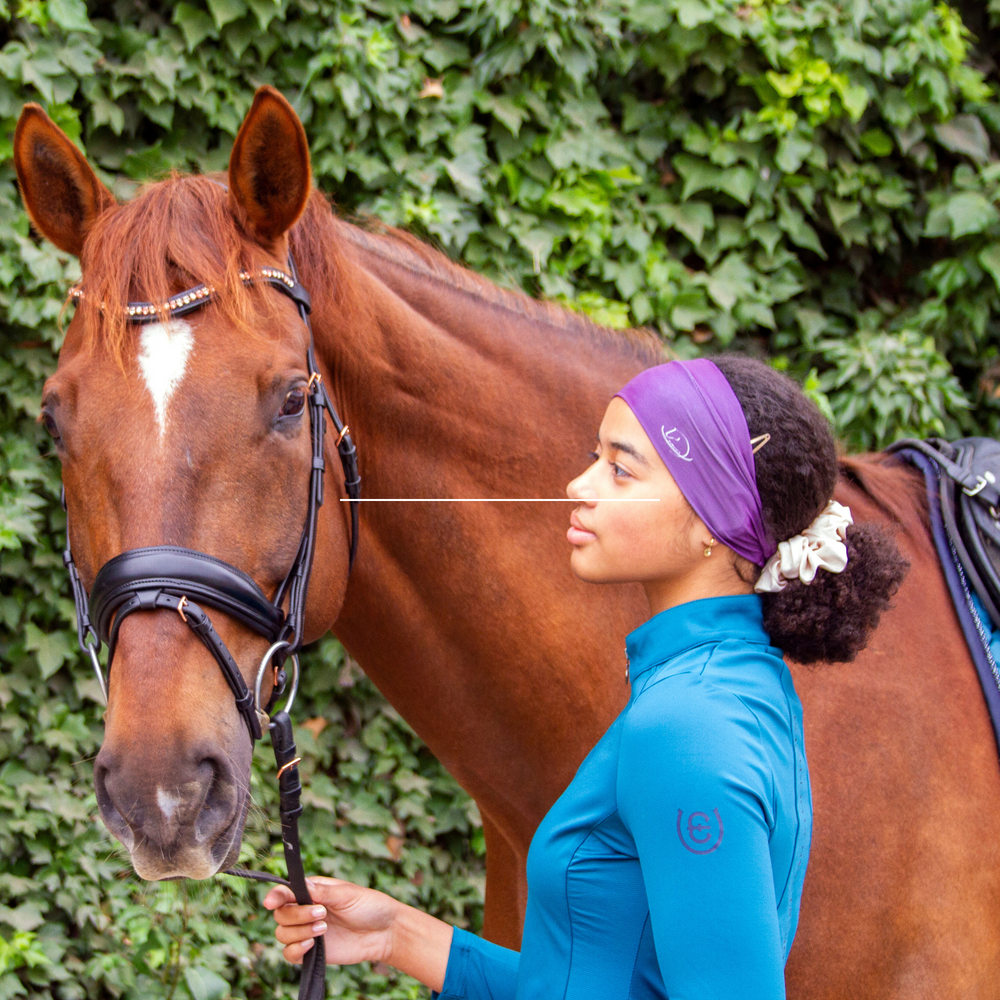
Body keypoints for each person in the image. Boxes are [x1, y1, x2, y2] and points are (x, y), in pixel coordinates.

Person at [263, 355, 908, 998]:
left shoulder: (688, 723)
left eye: (621, 470)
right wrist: (398, 935)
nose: (579, 484)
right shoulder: (728, 683)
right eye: (596, 456)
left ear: (715, 520)